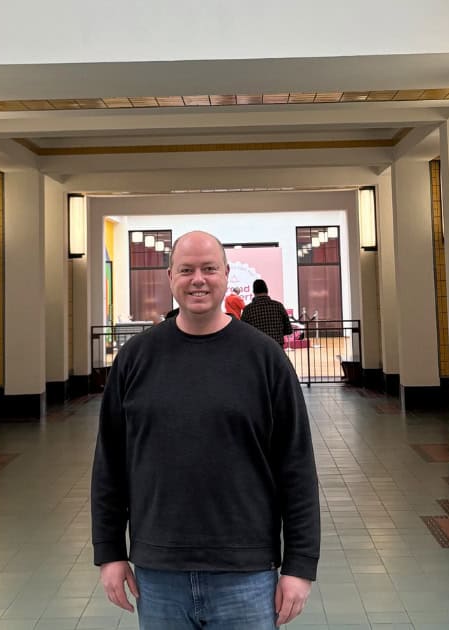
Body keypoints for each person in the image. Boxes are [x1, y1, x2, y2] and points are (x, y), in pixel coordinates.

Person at [92, 231, 319, 629]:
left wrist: (299, 565)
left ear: (226, 275)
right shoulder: (135, 359)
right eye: (187, 270)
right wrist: (110, 551)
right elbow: (110, 464)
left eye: (209, 269)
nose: (198, 279)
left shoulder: (265, 360)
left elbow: (296, 468)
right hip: (158, 573)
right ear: (170, 277)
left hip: (246, 572)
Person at [240, 279, 293, 346]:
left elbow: (243, 331)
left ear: (254, 291)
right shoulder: (278, 306)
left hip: (257, 348)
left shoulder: (248, 309)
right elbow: (289, 330)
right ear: (267, 290)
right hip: (277, 348)